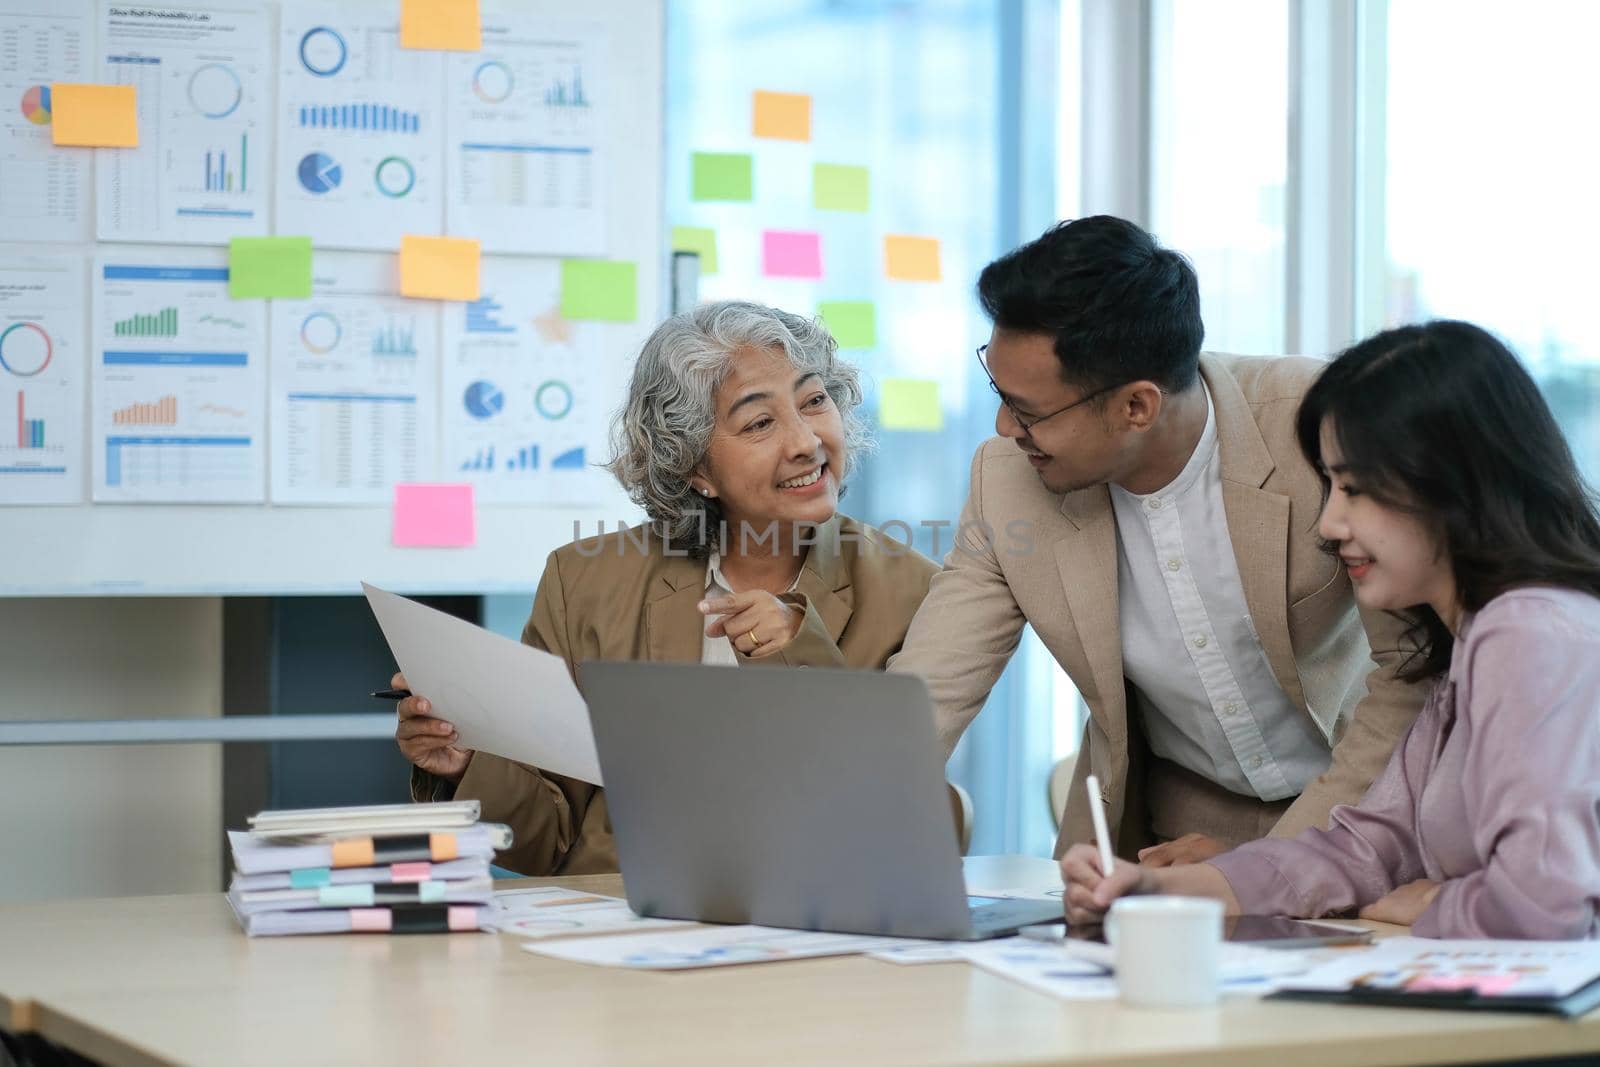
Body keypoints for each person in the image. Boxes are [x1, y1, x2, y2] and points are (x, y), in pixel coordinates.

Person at [888, 216, 1426, 864]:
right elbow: (924, 696)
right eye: (1000, 395)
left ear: (1137, 406)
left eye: (1028, 410)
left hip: (1368, 811)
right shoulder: (1006, 482)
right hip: (1171, 837)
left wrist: (1263, 867)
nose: (1005, 428)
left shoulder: (1320, 426)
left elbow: (1410, 671)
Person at [1062, 321, 1600, 939]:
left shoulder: (1529, 632)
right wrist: (1155, 890)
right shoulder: (1478, 642)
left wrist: (1437, 906)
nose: (1330, 523)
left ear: (1454, 484)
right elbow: (1365, 849)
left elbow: (1543, 907)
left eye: (1354, 488)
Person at [392, 300, 937, 875]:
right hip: (622, 925)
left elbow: (906, 823)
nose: (806, 442)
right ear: (695, 468)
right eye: (759, 423)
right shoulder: (586, 582)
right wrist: (467, 762)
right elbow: (547, 839)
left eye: (814, 401)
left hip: (816, 921)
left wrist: (796, 653)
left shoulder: (911, 591)